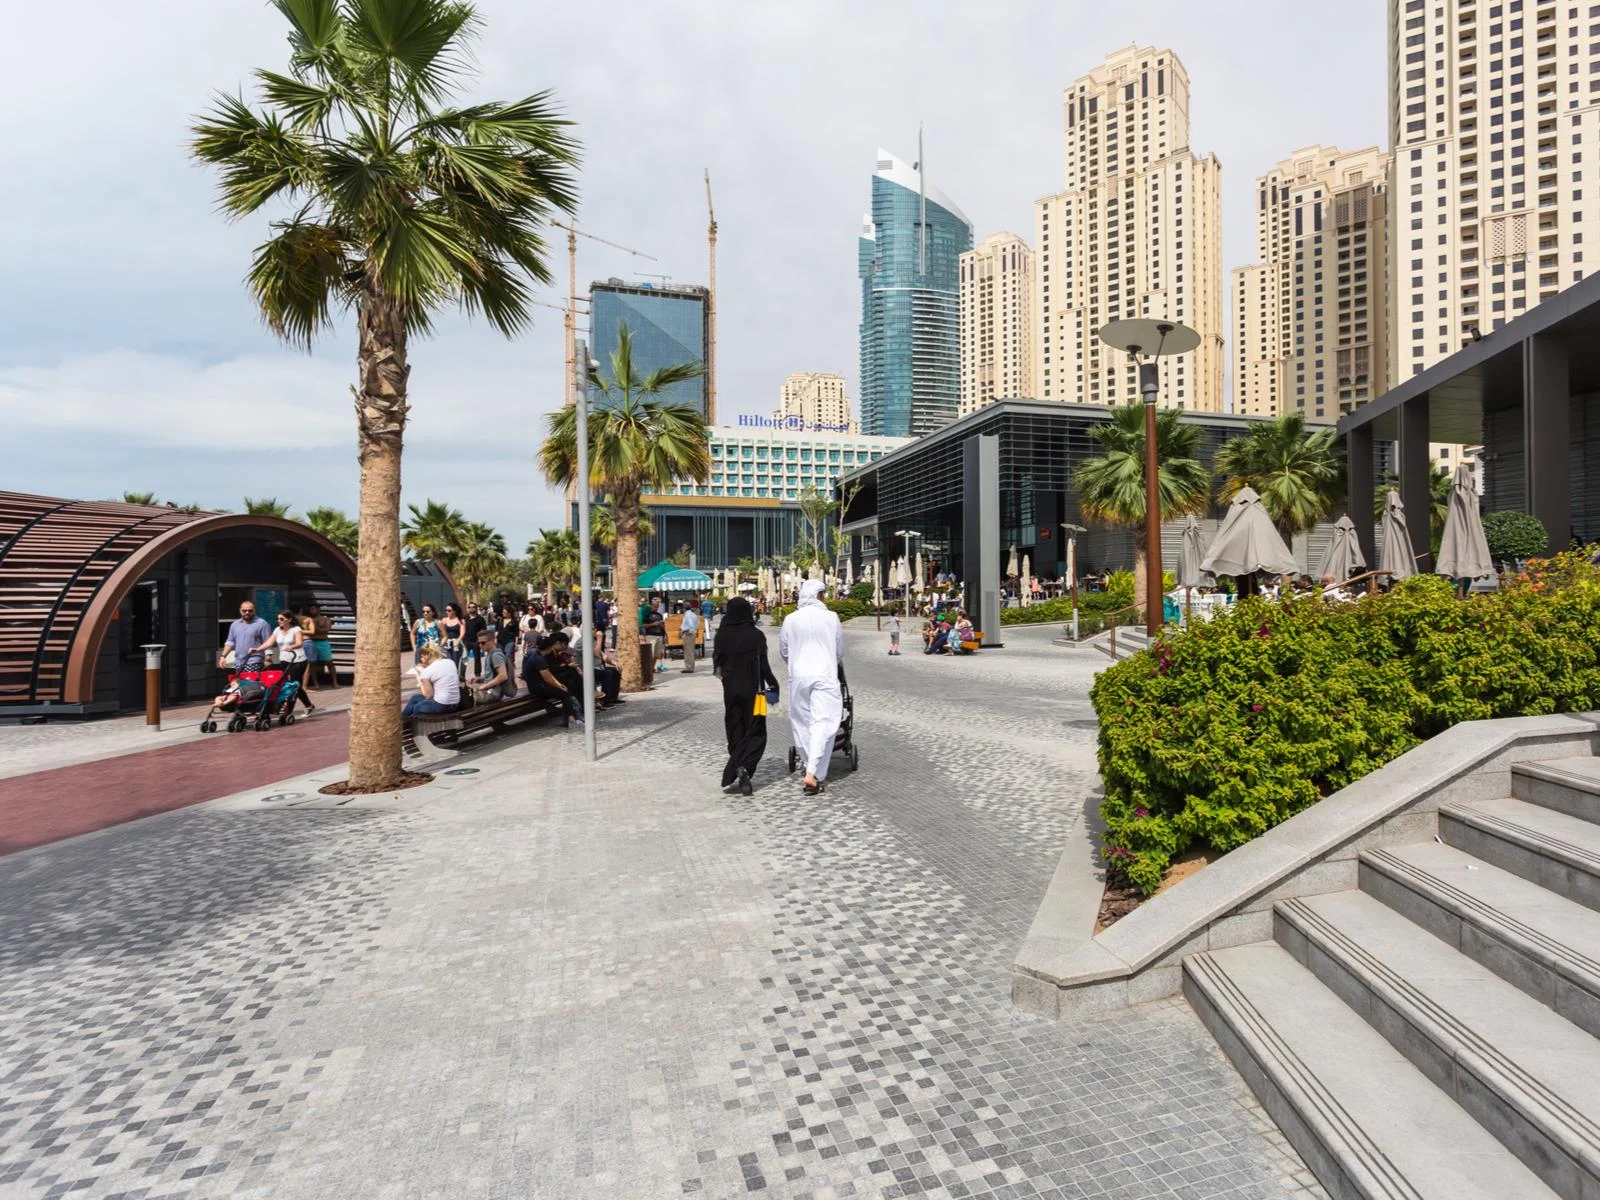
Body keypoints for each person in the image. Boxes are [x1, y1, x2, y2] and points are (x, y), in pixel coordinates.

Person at [779, 579, 845, 797]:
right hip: (825, 675)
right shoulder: (831, 618)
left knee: (802, 723)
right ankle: (813, 772)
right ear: (819, 595)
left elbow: (784, 650)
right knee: (823, 723)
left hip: (798, 676)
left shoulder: (790, 620)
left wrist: (797, 662)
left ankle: (810, 767)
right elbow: (838, 650)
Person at [712, 597, 779, 796]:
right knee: (756, 730)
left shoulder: (721, 636)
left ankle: (738, 764)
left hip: (731, 692)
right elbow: (764, 666)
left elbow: (718, 666)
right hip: (754, 692)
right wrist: (774, 686)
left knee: (735, 729)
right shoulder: (756, 635)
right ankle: (745, 767)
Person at [266, 610, 316, 712]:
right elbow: (269, 642)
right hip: (284, 660)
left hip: (297, 660)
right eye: (278, 619)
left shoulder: (296, 629)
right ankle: (309, 705)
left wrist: (291, 647)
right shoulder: (277, 630)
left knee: (293, 685)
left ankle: (288, 711)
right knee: (289, 685)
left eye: (281, 619)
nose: (279, 621)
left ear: (289, 619)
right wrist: (257, 649)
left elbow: (299, 643)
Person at [403, 642, 460, 717]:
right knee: (415, 698)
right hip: (455, 703)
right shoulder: (450, 662)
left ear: (426, 656)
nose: (420, 659)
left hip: (442, 705)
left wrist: (419, 677)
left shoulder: (427, 671)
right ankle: (402, 721)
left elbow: (428, 695)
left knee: (417, 707)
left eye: (421, 656)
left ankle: (405, 723)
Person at [220, 600, 272, 673]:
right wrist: (223, 656)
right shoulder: (235, 624)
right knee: (240, 684)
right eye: (244, 611)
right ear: (240, 610)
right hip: (239, 662)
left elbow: (268, 643)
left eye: (250, 611)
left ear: (254, 610)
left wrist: (268, 659)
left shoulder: (262, 624)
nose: (247, 612)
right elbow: (230, 642)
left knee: (250, 684)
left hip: (255, 661)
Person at [466, 627, 514, 704]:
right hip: (490, 691)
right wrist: (478, 679)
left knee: (465, 699)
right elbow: (492, 675)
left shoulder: (496, 655)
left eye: (483, 643)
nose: (480, 645)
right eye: (479, 643)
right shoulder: (490, 654)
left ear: (492, 641)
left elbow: (503, 676)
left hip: (493, 693)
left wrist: (484, 686)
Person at [302, 603, 338, 689]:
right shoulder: (308, 619)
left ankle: (335, 682)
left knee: (329, 662)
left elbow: (326, 630)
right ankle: (315, 683)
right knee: (312, 664)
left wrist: (313, 629)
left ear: (318, 609)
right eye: (310, 610)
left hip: (323, 642)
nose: (312, 611)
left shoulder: (326, 619)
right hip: (311, 642)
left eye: (313, 609)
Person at [440, 603, 466, 669]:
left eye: (449, 610)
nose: (447, 612)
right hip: (447, 644)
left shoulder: (460, 620)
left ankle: (456, 676)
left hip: (456, 644)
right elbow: (442, 632)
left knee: (455, 662)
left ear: (454, 611)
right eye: (446, 610)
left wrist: (458, 640)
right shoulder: (444, 620)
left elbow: (462, 633)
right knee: (448, 662)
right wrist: (442, 642)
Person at [680, 603, 701, 673]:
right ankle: (690, 666)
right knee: (690, 650)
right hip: (692, 633)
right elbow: (698, 623)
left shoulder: (688, 615)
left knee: (688, 651)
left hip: (688, 633)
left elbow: (691, 624)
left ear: (684, 608)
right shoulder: (693, 614)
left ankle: (689, 667)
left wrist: (687, 630)